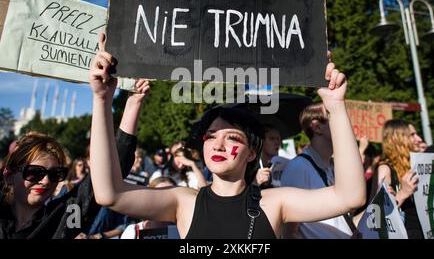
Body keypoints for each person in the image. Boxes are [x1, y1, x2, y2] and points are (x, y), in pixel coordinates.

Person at [88, 33, 366, 239]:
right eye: (210, 136)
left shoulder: (276, 202)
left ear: (252, 153)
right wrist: (101, 100)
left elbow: (350, 196)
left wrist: (336, 106)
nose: (218, 144)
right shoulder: (184, 202)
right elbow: (108, 193)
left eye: (232, 138)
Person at [0, 79, 149, 239]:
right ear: (8, 175)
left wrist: (129, 101)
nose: (46, 181)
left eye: (56, 174)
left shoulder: (65, 216)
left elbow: (112, 169)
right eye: (35, 172)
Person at [280, 103, 357, 239]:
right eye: (336, 118)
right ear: (317, 127)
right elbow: (290, 233)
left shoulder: (332, 166)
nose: (346, 124)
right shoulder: (298, 168)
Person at [369, 119, 424, 239]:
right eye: (412, 135)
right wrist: (402, 194)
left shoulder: (413, 165)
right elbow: (375, 215)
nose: (419, 139)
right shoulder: (385, 169)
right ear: (395, 139)